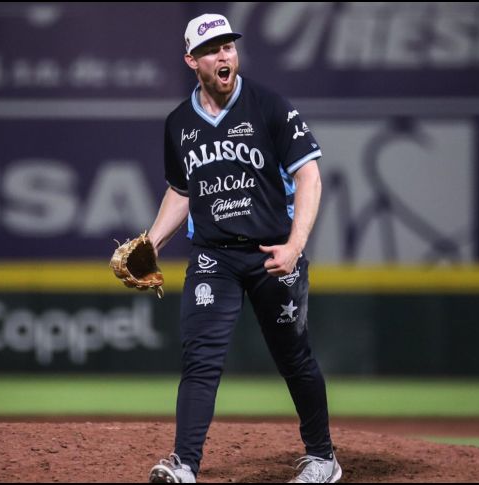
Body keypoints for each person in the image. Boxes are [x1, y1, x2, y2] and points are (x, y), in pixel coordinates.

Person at [145, 13, 340, 484]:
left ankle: (323, 458)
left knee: (294, 356)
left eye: (229, 45)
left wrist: (295, 244)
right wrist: (151, 242)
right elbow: (182, 190)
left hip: (273, 252)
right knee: (201, 357)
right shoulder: (178, 124)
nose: (224, 54)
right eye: (212, 49)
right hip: (214, 256)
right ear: (192, 61)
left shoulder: (269, 106)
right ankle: (184, 464)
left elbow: (309, 175)